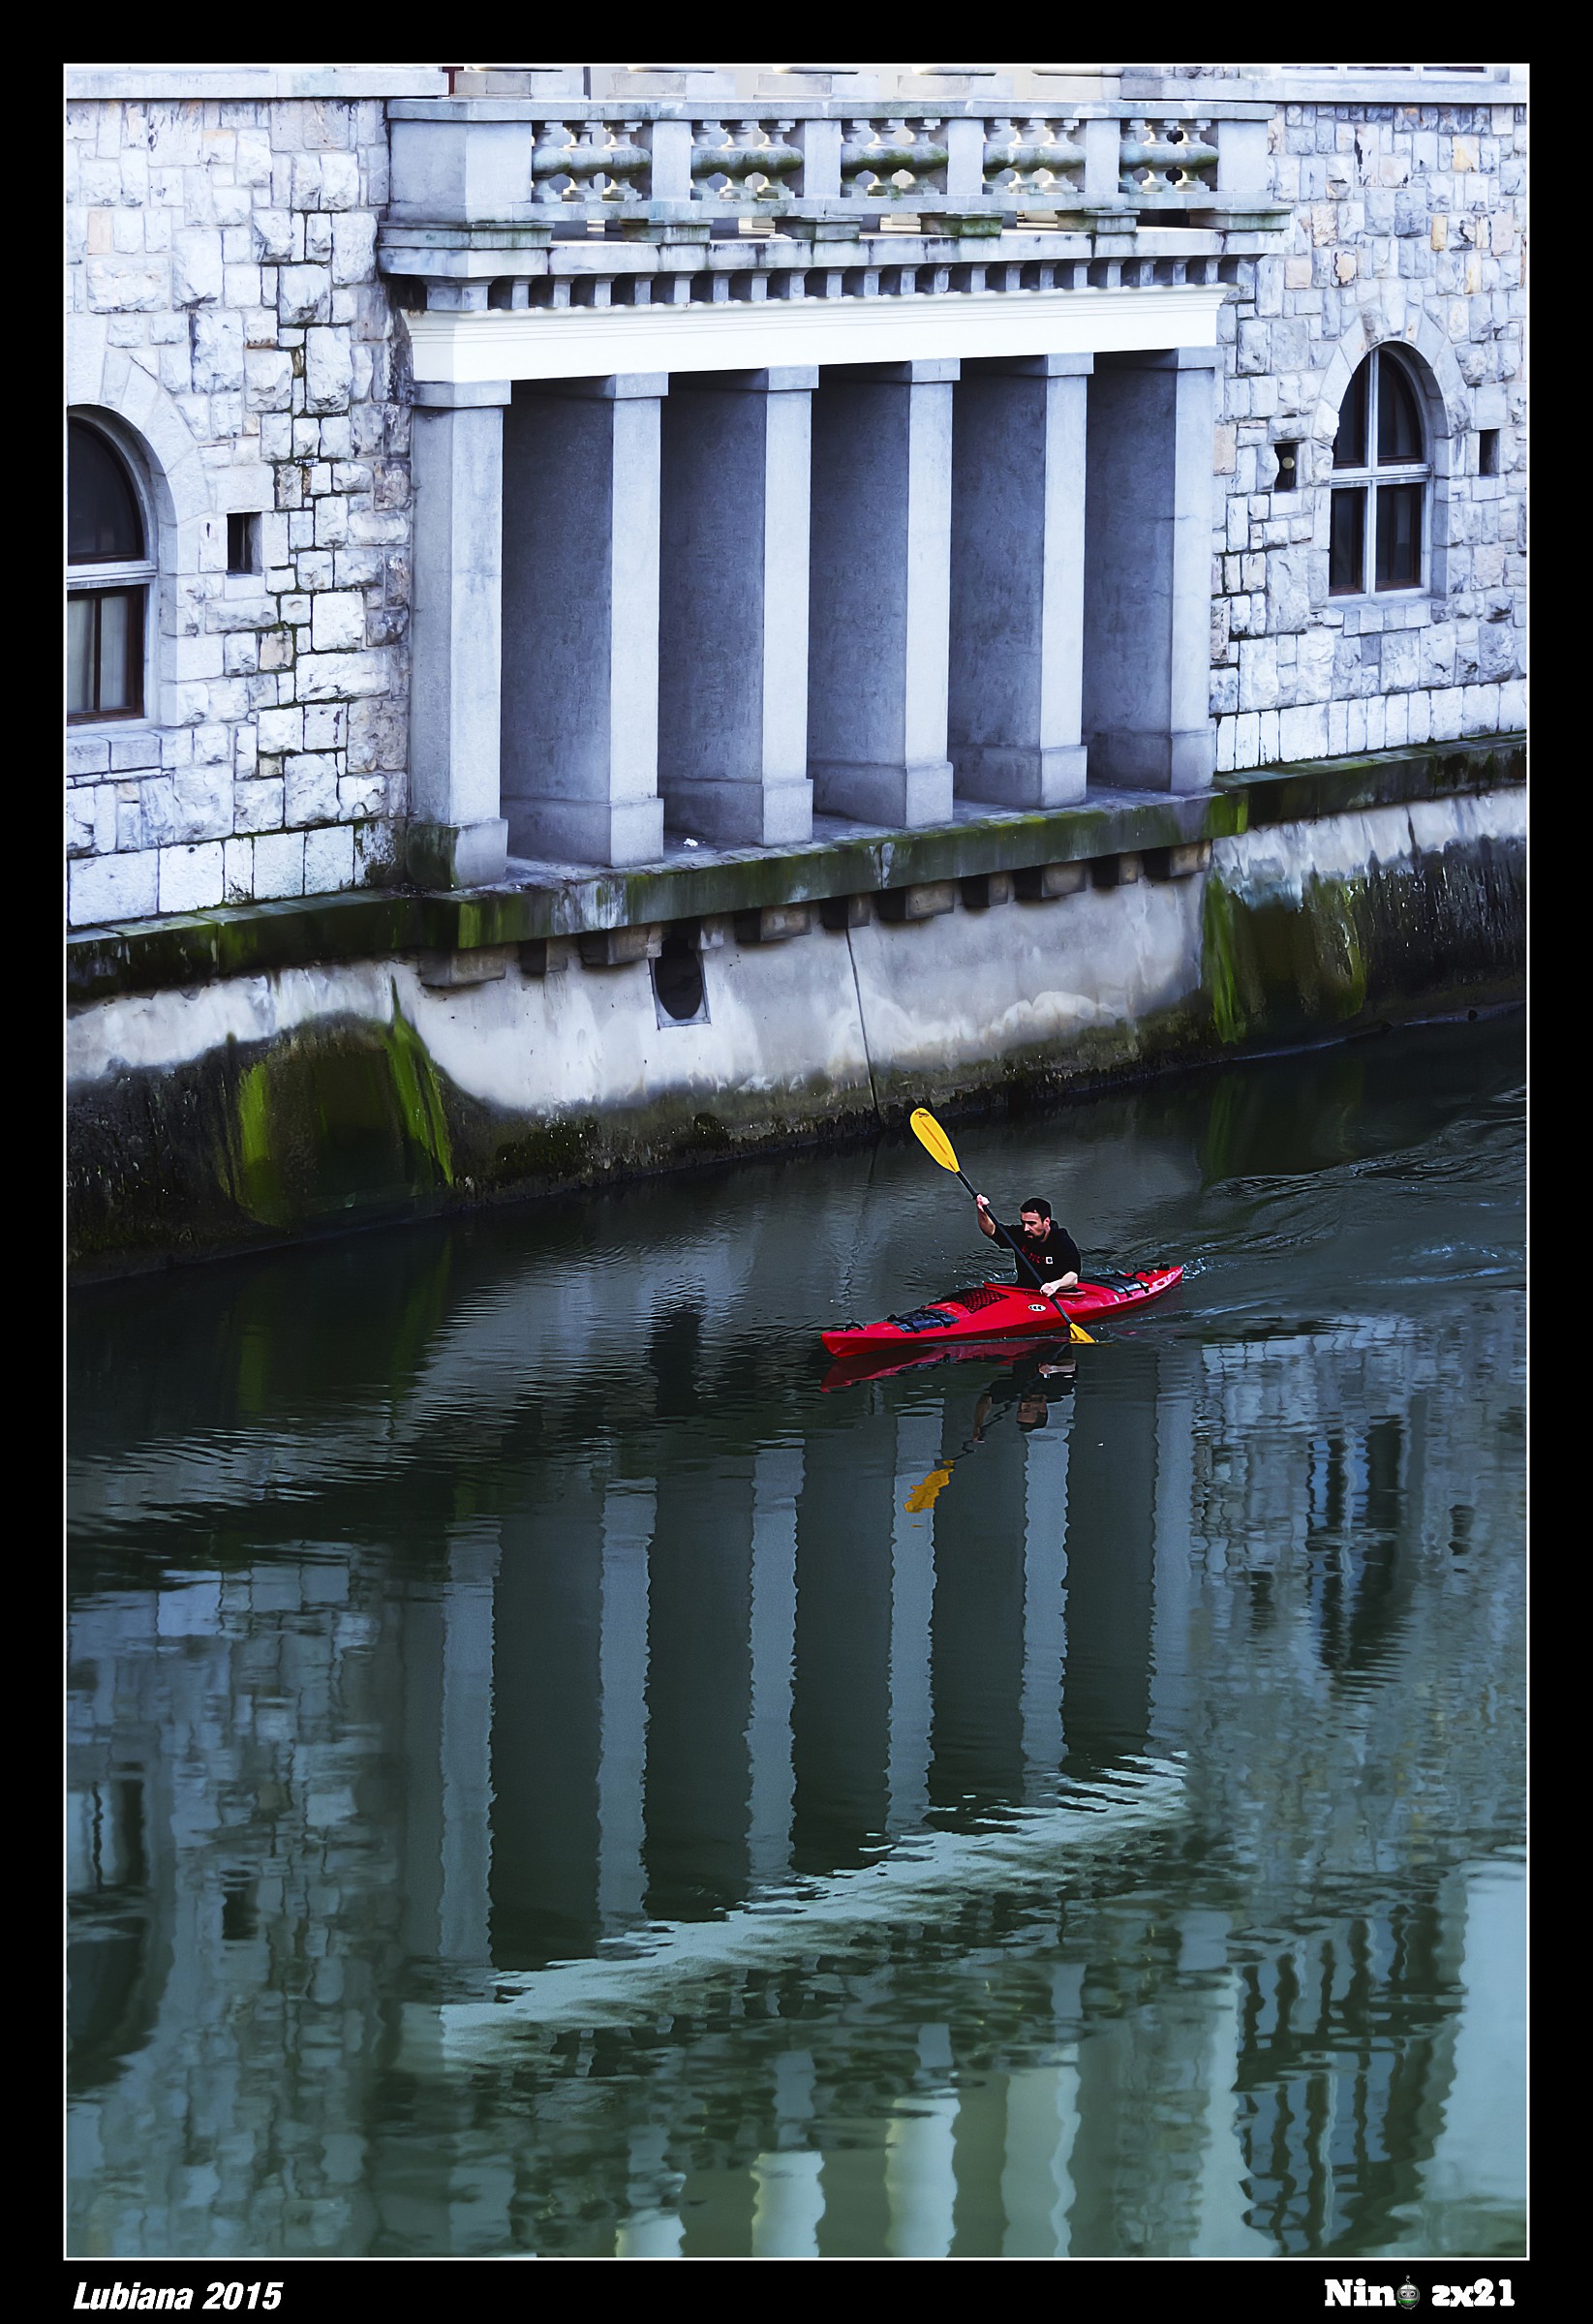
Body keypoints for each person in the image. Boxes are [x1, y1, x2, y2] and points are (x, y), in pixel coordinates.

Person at [974, 1191, 1081, 1298]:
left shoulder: (1062, 1241)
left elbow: (1073, 1277)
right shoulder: (1022, 1234)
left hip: (1057, 1294)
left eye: (1032, 1223)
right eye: (1023, 1222)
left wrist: (1055, 1285)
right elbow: (991, 1231)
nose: (1026, 1228)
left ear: (1046, 1222)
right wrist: (981, 1211)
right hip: (1025, 1291)